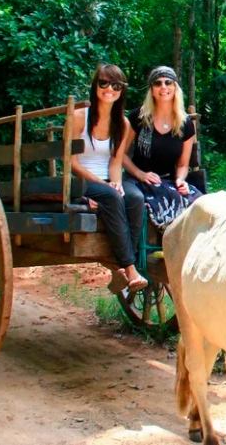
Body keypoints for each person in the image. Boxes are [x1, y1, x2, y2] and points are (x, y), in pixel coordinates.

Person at [71, 64, 147, 291]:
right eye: (103, 83)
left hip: (107, 180)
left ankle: (121, 267)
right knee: (113, 197)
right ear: (95, 86)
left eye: (116, 85)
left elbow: (115, 162)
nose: (109, 89)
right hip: (82, 180)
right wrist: (104, 185)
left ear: (122, 90)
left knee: (134, 198)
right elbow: (72, 163)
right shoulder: (78, 117)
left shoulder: (122, 123)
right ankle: (129, 267)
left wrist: (115, 182)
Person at [123, 66, 202, 230]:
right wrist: (140, 174)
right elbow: (120, 154)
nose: (163, 87)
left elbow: (182, 164)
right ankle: (147, 250)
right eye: (157, 83)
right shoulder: (139, 117)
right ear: (151, 90)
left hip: (168, 181)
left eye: (168, 83)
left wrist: (180, 180)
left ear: (175, 88)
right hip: (139, 180)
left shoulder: (185, 124)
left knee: (200, 205)